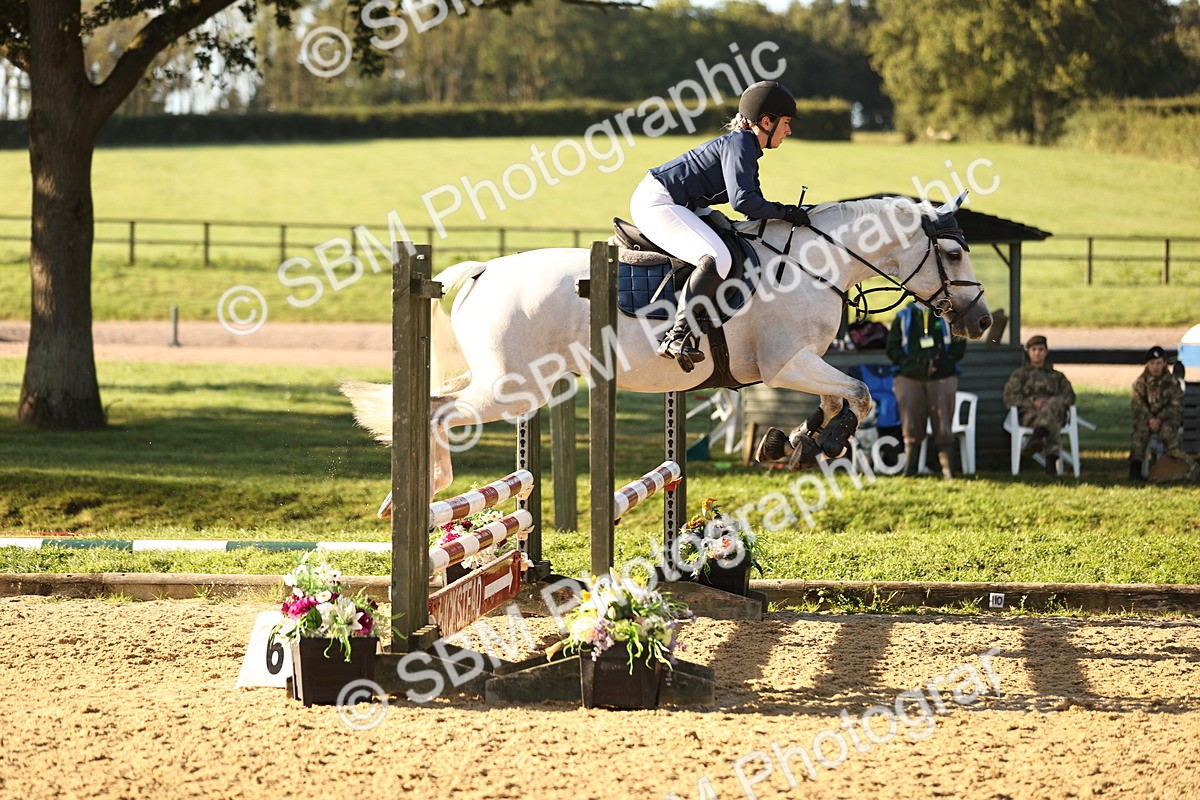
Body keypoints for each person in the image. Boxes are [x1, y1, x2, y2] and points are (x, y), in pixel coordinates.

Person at [631, 80, 811, 372]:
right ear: (767, 121)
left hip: (682, 202)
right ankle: (675, 337)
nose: (789, 130)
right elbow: (744, 202)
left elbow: (755, 206)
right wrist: (787, 212)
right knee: (718, 258)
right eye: (786, 122)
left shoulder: (747, 146)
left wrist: (788, 214)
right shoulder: (741, 144)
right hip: (659, 201)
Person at [885, 300, 967, 479]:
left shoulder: (949, 315)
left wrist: (945, 363)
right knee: (911, 422)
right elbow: (892, 348)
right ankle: (910, 470)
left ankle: (948, 472)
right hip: (910, 376)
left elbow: (959, 343)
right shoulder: (903, 316)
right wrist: (909, 365)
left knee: (943, 421)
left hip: (942, 376)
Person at [1002, 335, 1076, 476]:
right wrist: (1033, 403)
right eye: (1034, 349)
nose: (1037, 353)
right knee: (1051, 421)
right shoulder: (1020, 375)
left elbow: (1069, 396)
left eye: (1041, 349)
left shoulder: (1057, 376)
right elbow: (1009, 397)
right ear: (1028, 352)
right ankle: (1050, 464)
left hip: (1056, 412)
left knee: (1053, 406)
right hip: (1031, 416)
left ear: (1046, 351)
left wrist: (1050, 403)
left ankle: (1038, 437)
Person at [1130, 345, 1186, 480]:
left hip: (1167, 420)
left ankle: (1174, 468)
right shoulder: (1140, 383)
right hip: (1146, 420)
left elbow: (1176, 405)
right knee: (1139, 433)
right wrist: (1150, 419)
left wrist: (1159, 419)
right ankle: (1136, 469)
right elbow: (1137, 404)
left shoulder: (1172, 383)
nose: (1155, 367)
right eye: (1152, 363)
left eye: (1159, 363)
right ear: (1147, 364)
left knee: (1170, 433)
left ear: (1164, 363)